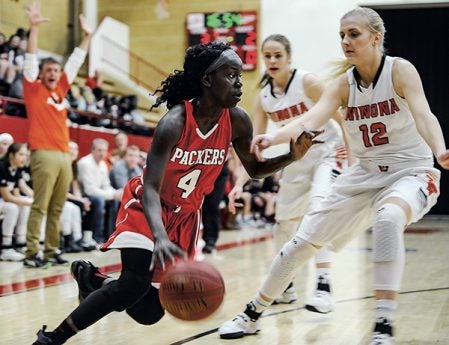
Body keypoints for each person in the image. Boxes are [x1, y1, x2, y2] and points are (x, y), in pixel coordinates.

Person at [32, 41, 322, 345]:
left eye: (239, 75)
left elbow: (254, 169)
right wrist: (158, 235)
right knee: (132, 284)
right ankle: (52, 339)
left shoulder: (237, 120)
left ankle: (94, 280)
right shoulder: (174, 122)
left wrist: (291, 156)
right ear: (208, 79)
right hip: (148, 207)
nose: (239, 83)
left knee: (150, 312)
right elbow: (152, 188)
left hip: (185, 218)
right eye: (230, 75)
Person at [218, 7, 449, 344]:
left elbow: (424, 115)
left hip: (410, 172)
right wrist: (273, 137)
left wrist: (440, 149)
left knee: (388, 220)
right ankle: (253, 312)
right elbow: (310, 119)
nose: (345, 41)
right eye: (342, 35)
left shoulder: (400, 70)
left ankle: (383, 326)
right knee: (299, 243)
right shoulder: (342, 85)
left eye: (353, 34)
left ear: (376, 37)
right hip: (364, 175)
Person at [227, 34, 348, 310]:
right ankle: (287, 286)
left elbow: (343, 118)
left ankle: (323, 287)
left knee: (319, 214)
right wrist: (239, 184)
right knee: (283, 224)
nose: (272, 60)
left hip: (326, 154)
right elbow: (253, 148)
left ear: (289, 57)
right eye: (267, 55)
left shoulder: (308, 82)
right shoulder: (264, 98)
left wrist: (354, 158)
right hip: (295, 161)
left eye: (277, 55)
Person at [22, 2, 92, 268]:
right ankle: (32, 253)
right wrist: (34, 29)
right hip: (44, 153)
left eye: (55, 71)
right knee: (41, 205)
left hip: (64, 155)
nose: (53, 74)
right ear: (40, 75)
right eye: (48, 71)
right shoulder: (33, 89)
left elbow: (74, 62)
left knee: (58, 207)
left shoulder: (60, 90)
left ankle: (51, 251)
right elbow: (30, 57)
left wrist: (87, 37)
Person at [0, 143, 33, 261]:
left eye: (25, 155)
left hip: (3, 201)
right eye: (21, 154)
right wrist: (29, 202)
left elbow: (17, 192)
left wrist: (34, 200)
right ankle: (6, 248)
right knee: (12, 207)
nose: (24, 157)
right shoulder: (2, 167)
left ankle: (20, 243)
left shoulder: (17, 169)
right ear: (11, 155)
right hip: (3, 200)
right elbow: (7, 197)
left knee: (24, 206)